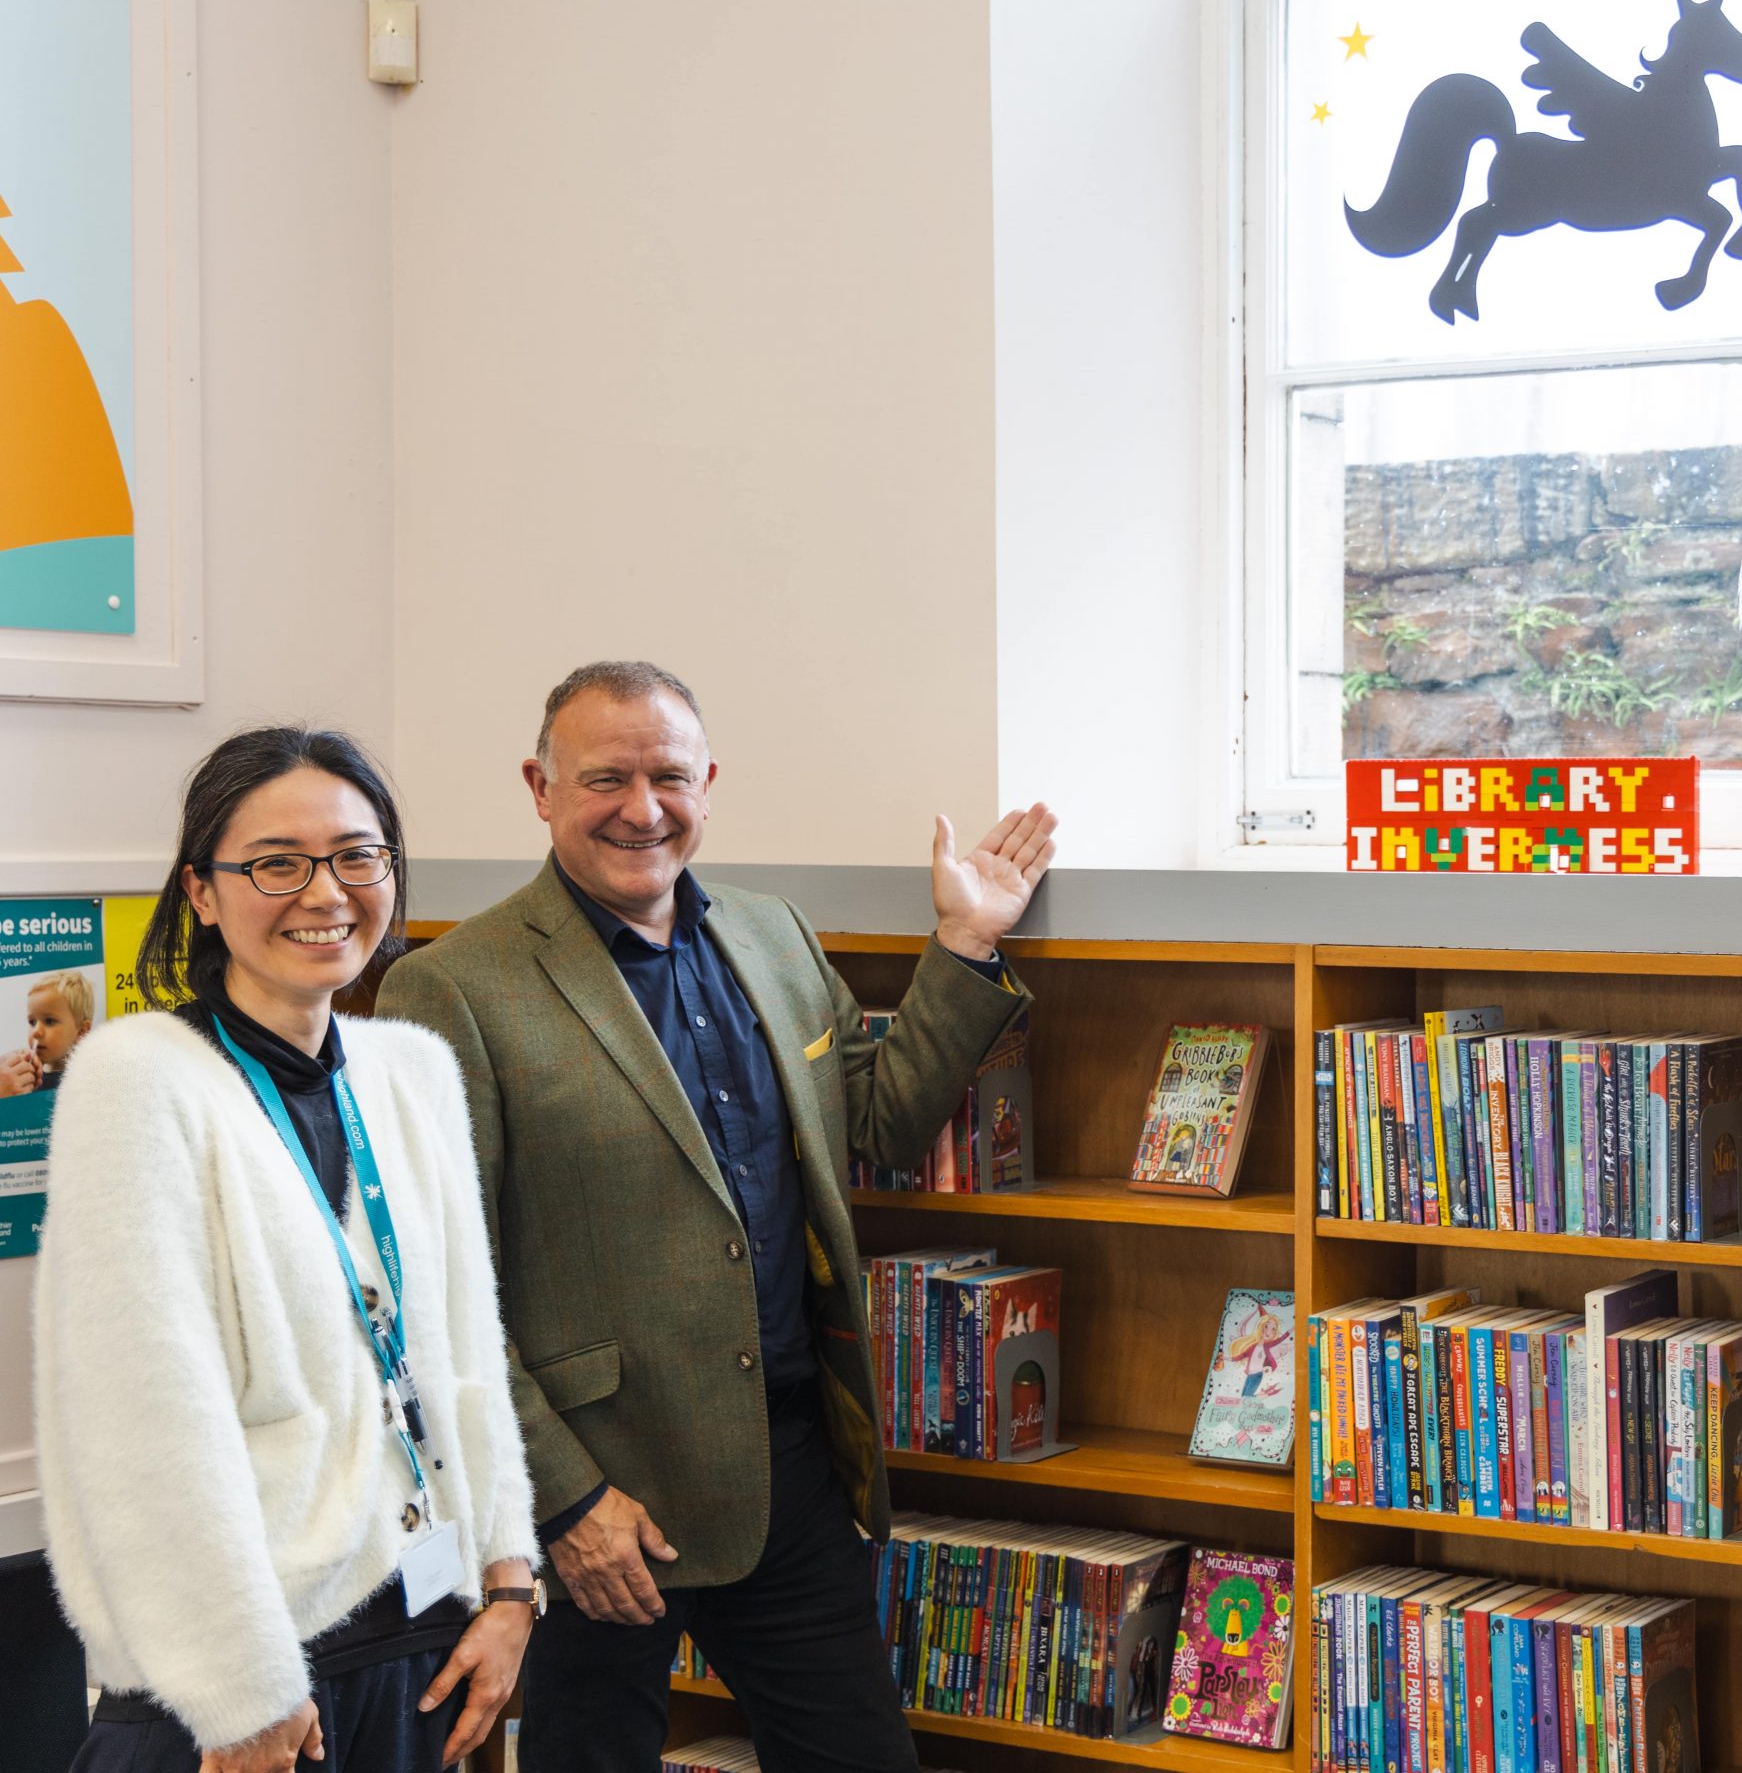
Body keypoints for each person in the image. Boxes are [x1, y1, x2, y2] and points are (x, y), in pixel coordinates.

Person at [375, 661, 1054, 1773]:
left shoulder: (772, 932)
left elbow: (878, 1123)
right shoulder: (453, 986)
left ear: (709, 783)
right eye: (605, 779)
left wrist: (965, 941)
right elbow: (439, 1290)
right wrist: (566, 1504)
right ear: (540, 788)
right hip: (604, 1500)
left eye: (669, 777)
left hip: (789, 1470)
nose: (642, 808)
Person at [34, 727, 540, 1773]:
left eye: (358, 856)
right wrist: (243, 1692)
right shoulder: (138, 1079)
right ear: (202, 892)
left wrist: (508, 1582)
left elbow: (466, 1354)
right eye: (277, 863)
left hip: (422, 1644)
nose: (325, 892)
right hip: (239, 1681)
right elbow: (145, 1423)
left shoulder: (412, 1070)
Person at [27, 968, 95, 1086]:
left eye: (49, 1021)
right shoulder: (27, 1079)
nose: (36, 1032)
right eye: (32, 1022)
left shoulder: (85, 1081)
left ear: (81, 1032)